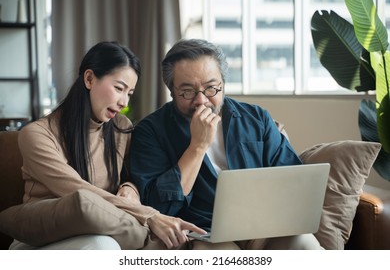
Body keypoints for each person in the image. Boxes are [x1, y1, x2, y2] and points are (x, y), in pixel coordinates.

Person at [128, 38, 323, 250]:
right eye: (187, 91)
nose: (201, 100)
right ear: (171, 90)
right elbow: (158, 206)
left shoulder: (257, 119)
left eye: (211, 88)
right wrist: (197, 147)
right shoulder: (150, 131)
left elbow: (294, 182)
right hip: (202, 234)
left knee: (306, 245)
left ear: (223, 83)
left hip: (265, 229)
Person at [8, 41, 205, 250]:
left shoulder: (120, 127)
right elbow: (77, 191)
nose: (124, 103)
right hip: (41, 240)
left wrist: (130, 189)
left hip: (105, 231)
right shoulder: (37, 134)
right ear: (89, 78)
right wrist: (151, 216)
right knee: (103, 245)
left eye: (129, 93)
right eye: (119, 88)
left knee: (109, 243)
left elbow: (132, 177)